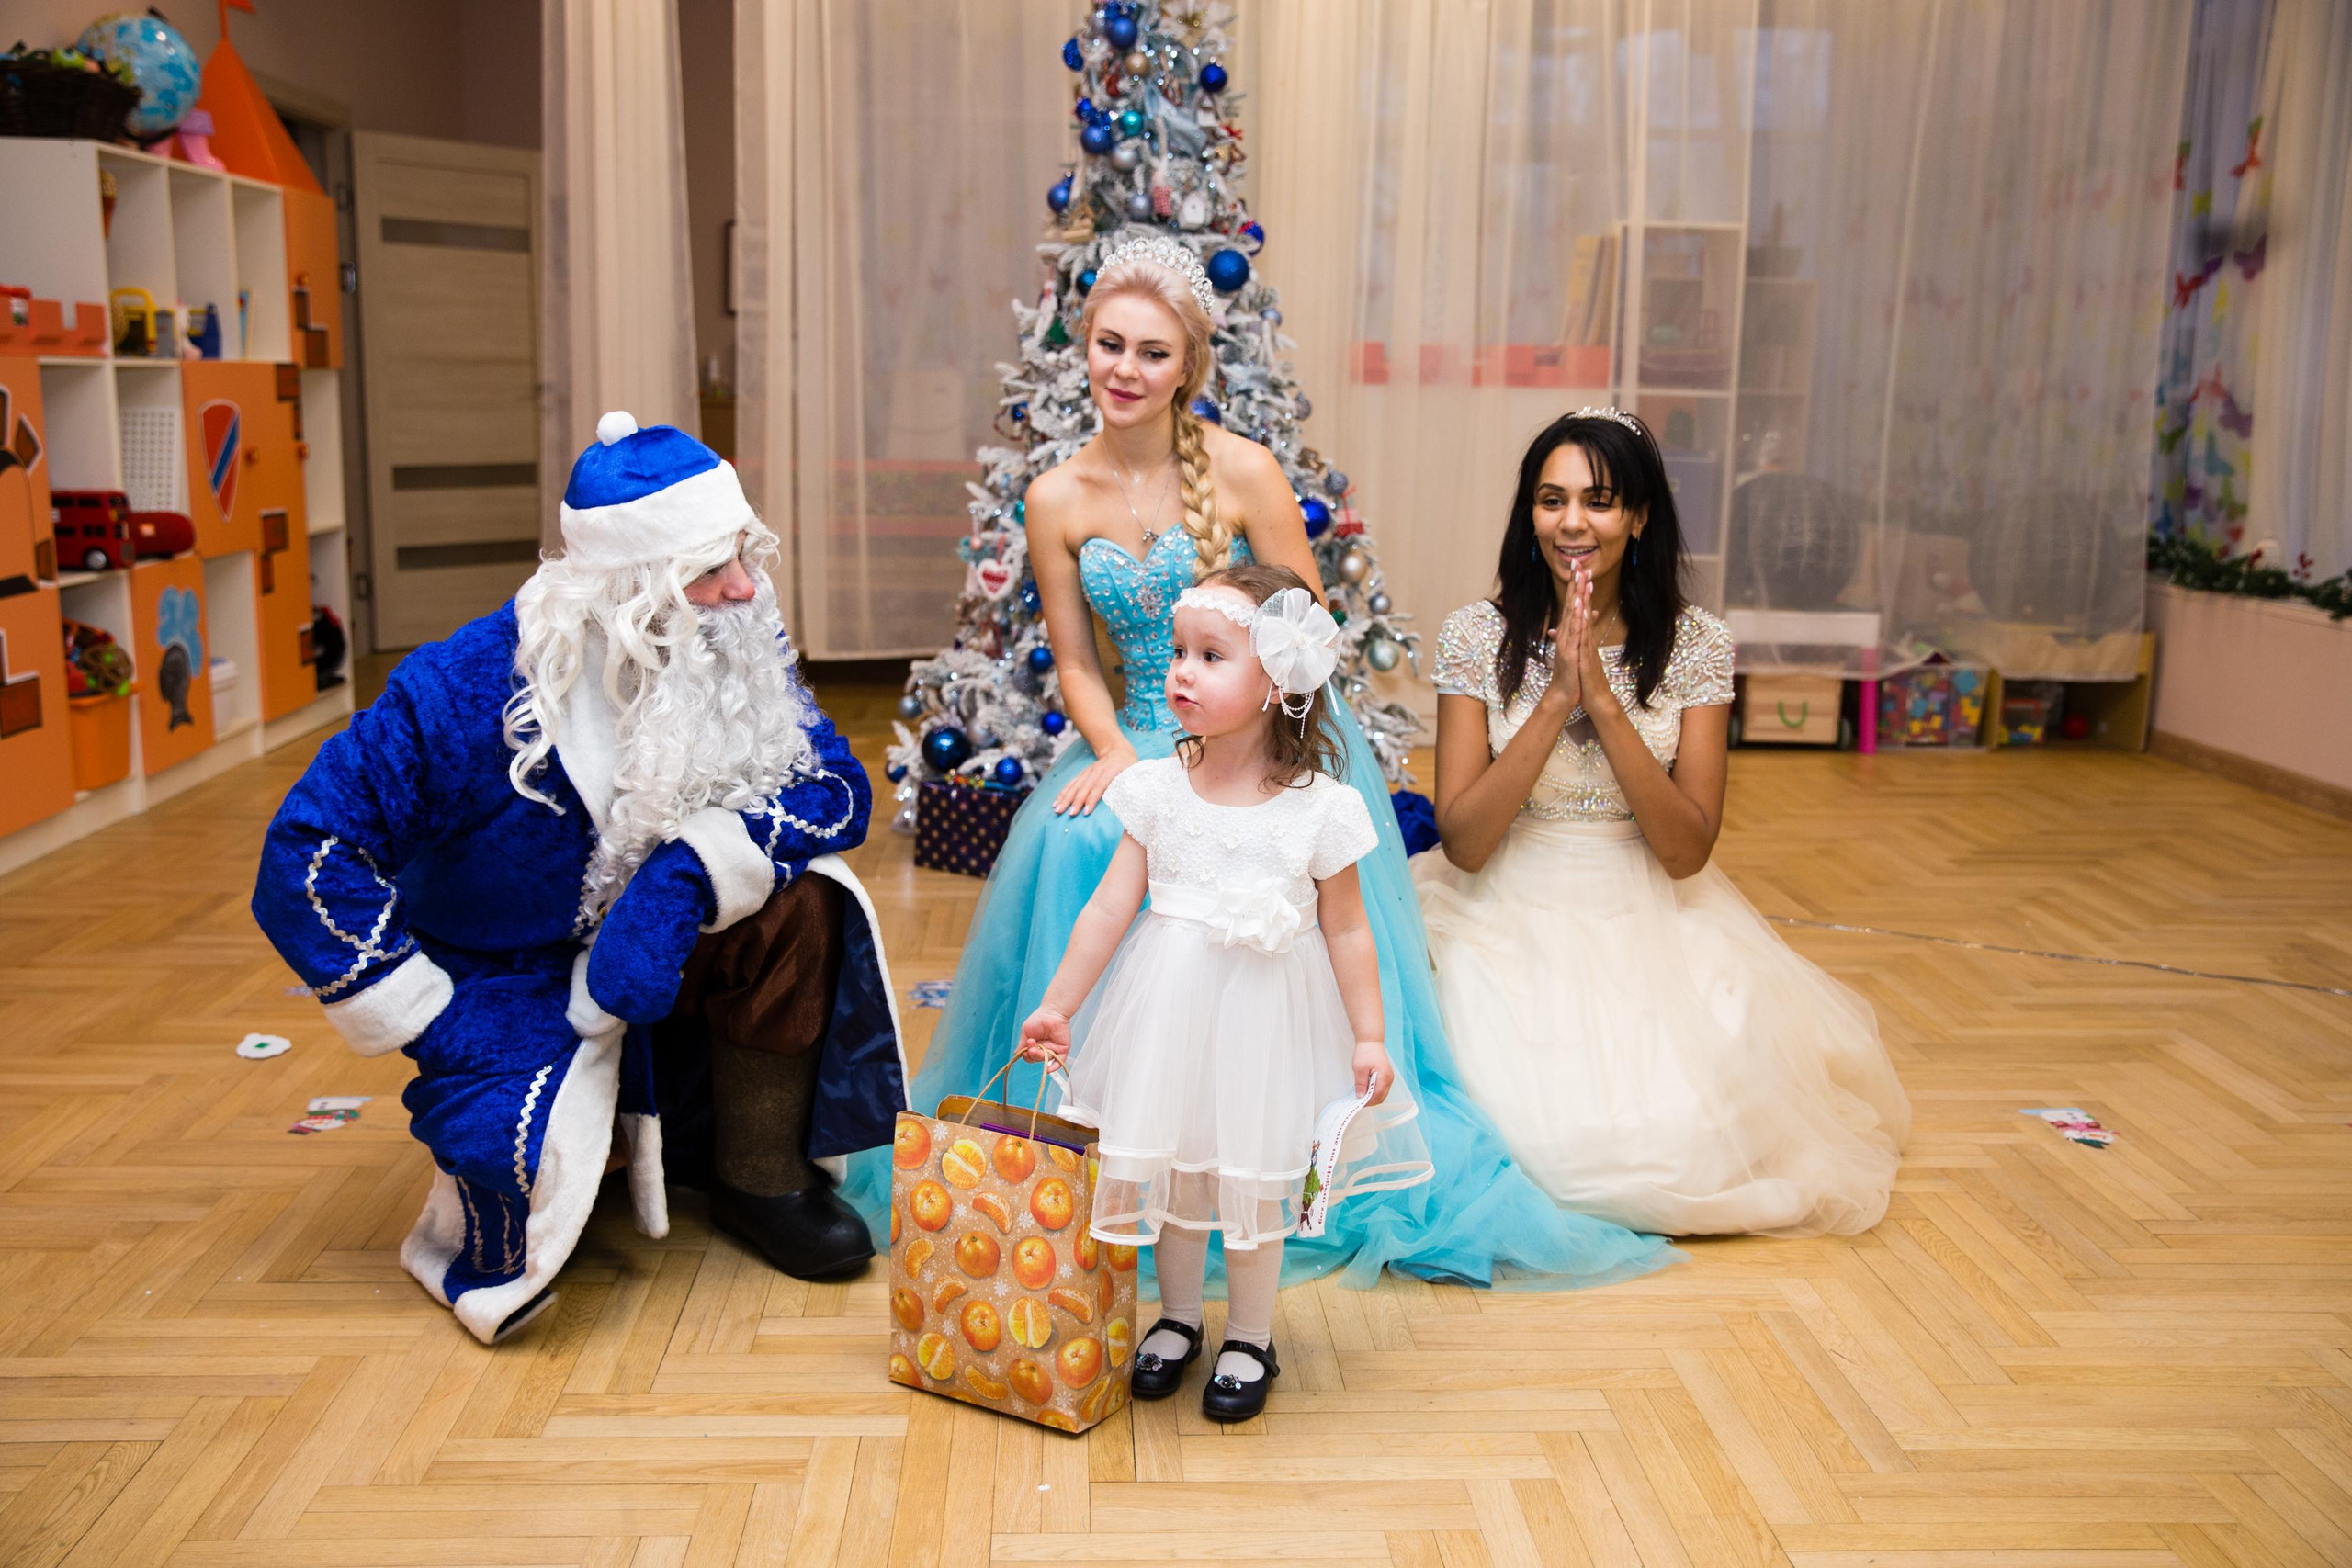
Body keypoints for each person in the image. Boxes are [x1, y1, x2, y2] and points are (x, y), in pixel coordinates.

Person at [843, 234, 1670, 1294]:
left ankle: (1249, 1147)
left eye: (1151, 352)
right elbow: (1075, 664)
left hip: (1254, 732)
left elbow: (1306, 638)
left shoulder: (1243, 470)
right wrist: (1113, 755)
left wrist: (1245, 748)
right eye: (1108, 345)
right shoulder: (1055, 496)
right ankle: (1090, 1146)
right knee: (1084, 834)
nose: (1125, 370)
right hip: (1138, 728)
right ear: (1083, 348)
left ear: (1187, 365)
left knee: (1239, 858)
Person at [252, 412, 910, 1343]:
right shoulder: (461, 691)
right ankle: (589, 1147)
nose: (744, 588)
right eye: (709, 569)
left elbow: (838, 789)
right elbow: (306, 850)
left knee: (806, 901)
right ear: (626, 588)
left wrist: (689, 870)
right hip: (514, 978)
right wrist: (429, 1012)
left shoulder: (732, 644)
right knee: (512, 1172)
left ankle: (760, 1176)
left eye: (743, 556)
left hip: (674, 948)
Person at [1413, 409, 1910, 1237]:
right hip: (1499, 904)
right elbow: (1463, 841)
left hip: (1649, 904)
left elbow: (1685, 851)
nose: (1572, 521)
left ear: (1639, 516)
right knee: (1538, 1136)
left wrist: (1603, 700)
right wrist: (1555, 701)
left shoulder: (1696, 645)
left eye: (1599, 500)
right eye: (1551, 498)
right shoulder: (1477, 635)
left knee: (1676, 1142)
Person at [1015, 564, 1432, 1422]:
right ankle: (1174, 1317)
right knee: (1170, 1165)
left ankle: (1249, 1332)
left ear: (1278, 680)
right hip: (1167, 1012)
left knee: (1250, 1180)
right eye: (1177, 653)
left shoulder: (1320, 808)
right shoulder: (1157, 789)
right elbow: (1107, 909)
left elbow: (1350, 929)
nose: (1180, 672)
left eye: (1210, 655)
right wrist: (1060, 1001)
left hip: (1266, 1023)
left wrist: (1368, 1035)